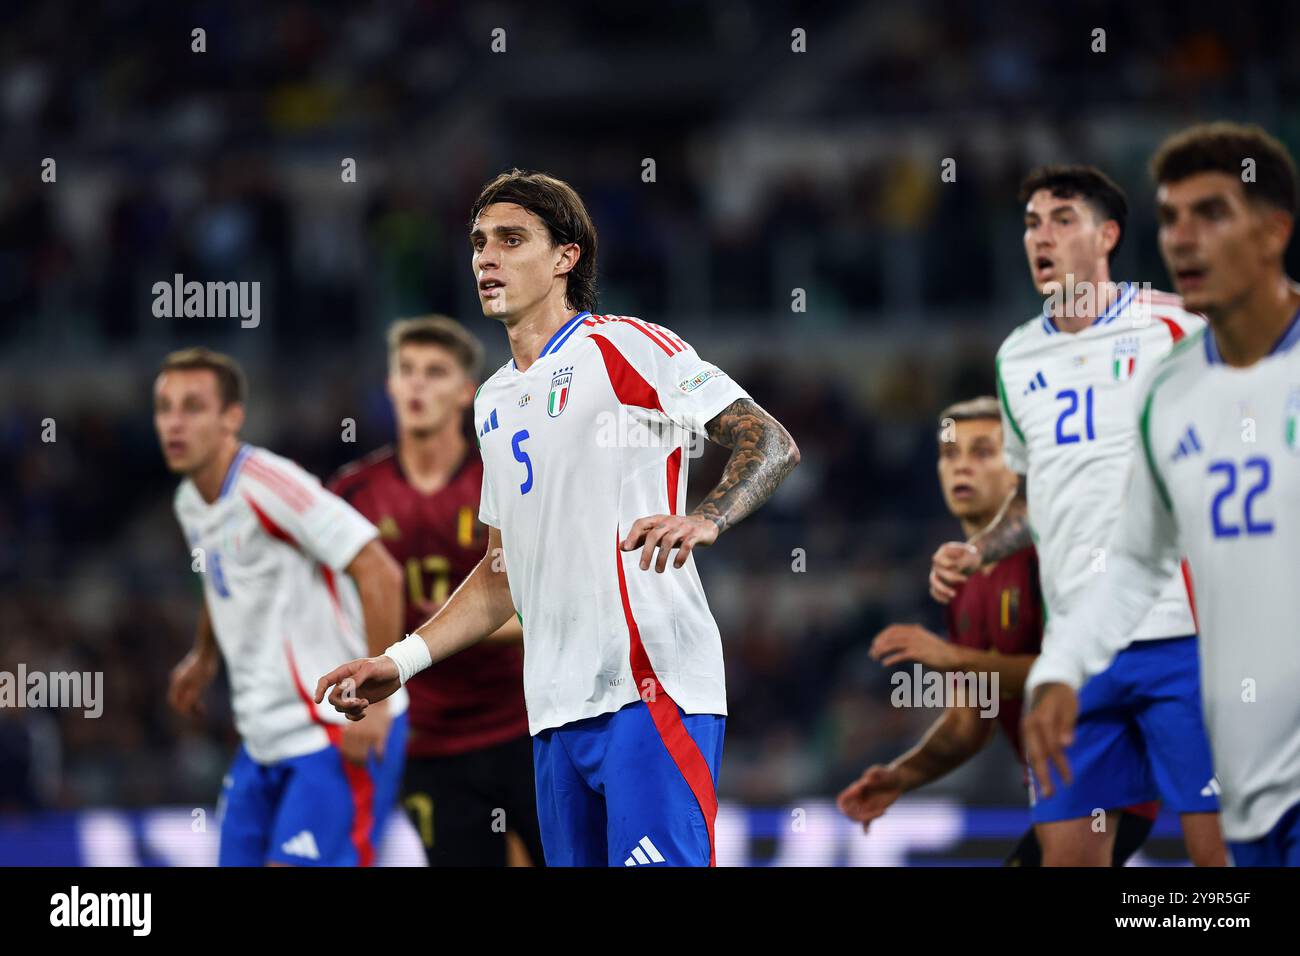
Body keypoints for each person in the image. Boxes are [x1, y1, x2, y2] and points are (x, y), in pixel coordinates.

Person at [316, 169, 800, 867]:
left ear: (565, 257)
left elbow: (769, 439)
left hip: (649, 686)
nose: (487, 257)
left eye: (512, 240)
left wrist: (707, 519)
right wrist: (400, 662)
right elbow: (498, 574)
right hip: (551, 714)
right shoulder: (492, 402)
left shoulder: (626, 346)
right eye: (480, 242)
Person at [929, 165, 1225, 866]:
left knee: (1225, 863)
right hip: (1074, 652)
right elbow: (1032, 497)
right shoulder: (1016, 354)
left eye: (1063, 220)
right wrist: (982, 550)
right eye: (1032, 222)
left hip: (1183, 636)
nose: (1042, 236)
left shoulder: (1177, 327)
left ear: (1108, 235)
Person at [1025, 123, 1300, 867]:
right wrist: (1058, 666)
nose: (1181, 238)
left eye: (1208, 214)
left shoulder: (1179, 338)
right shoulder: (1174, 385)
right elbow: (1138, 556)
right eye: (1172, 217)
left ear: (1274, 232)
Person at [837, 397, 1157, 865]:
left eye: (983, 452)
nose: (961, 466)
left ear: (1018, 473)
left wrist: (953, 657)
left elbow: (1081, 675)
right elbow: (971, 721)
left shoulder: (1050, 555)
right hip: (1060, 789)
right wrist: (901, 775)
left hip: (1110, 776)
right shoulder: (963, 580)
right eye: (950, 454)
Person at [159, 347, 408, 866]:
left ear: (232, 417)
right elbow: (219, 574)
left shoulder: (269, 485)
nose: (174, 423)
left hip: (333, 729)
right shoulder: (189, 501)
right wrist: (204, 656)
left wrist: (378, 701)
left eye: (193, 407)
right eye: (165, 407)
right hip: (261, 741)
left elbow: (380, 571)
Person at [329, 315, 542, 866]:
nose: (418, 384)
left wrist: (440, 629)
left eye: (435, 372)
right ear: (391, 386)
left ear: (465, 392)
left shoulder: (504, 481)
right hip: (429, 741)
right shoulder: (352, 494)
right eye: (407, 371)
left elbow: (545, 601)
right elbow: (324, 609)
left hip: (528, 724)